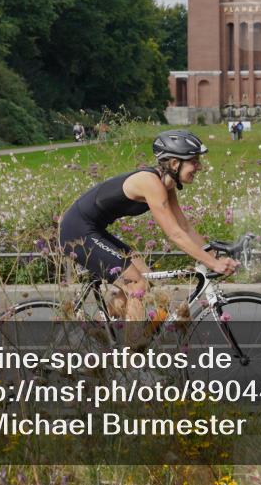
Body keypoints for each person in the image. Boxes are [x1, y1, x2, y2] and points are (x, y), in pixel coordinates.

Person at [58, 130, 239, 336]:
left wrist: (213, 256)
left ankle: (99, 328)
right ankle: (131, 362)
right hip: (76, 232)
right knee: (138, 285)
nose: (199, 167)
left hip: (93, 230)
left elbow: (185, 228)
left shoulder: (166, 186)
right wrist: (212, 263)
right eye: (193, 161)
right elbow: (175, 234)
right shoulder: (151, 183)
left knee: (147, 278)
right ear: (173, 164)